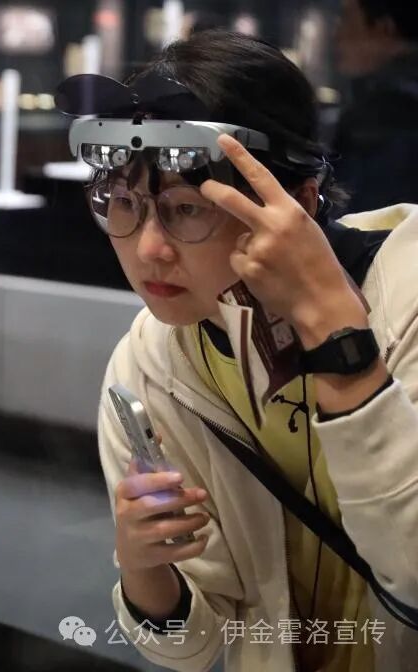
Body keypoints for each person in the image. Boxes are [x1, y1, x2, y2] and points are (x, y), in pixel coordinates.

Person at [78, 31, 418, 671]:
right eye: (124, 203)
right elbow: (193, 648)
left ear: (297, 204)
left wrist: (341, 345)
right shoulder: (151, 360)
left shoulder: (408, 295)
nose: (148, 248)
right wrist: (144, 568)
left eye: (185, 209)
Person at [332, 1, 418, 212]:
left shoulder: (389, 110)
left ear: (384, 28)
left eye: (347, 20)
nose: (337, 34)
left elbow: (366, 217)